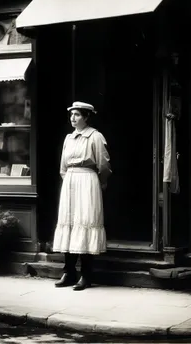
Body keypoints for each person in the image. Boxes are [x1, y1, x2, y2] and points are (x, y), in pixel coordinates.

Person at [53, 101, 112, 291]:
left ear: (86, 117)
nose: (73, 118)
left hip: (87, 181)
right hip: (70, 181)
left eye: (77, 115)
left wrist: (98, 182)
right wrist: (69, 178)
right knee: (69, 223)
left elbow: (103, 165)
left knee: (85, 222)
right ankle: (69, 272)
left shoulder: (95, 136)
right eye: (71, 115)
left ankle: (86, 276)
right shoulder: (68, 138)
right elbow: (63, 166)